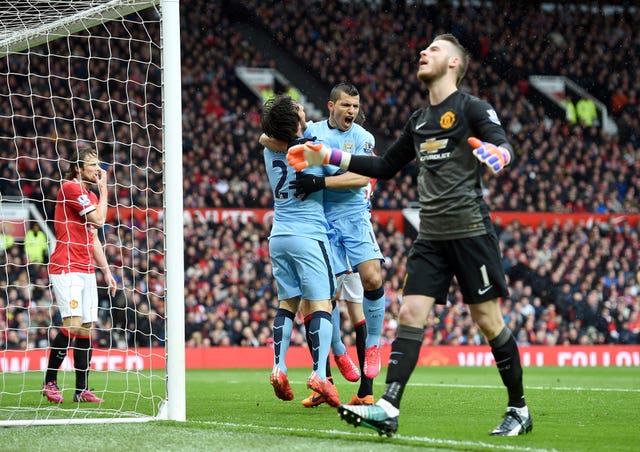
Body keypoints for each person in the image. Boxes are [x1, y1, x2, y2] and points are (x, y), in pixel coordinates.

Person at [287, 34, 532, 437]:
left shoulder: (472, 107)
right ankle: (387, 407)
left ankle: (519, 409)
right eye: (424, 49)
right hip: (430, 237)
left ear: (454, 63)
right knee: (411, 316)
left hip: (470, 232)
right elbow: (383, 166)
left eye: (434, 50)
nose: (424, 52)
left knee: (488, 321)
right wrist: (326, 156)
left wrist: (498, 155)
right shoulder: (419, 120)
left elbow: (501, 144)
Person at [262, 83, 385, 407]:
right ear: (331, 105)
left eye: (355, 106)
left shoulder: (360, 137)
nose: (351, 111)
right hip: (317, 228)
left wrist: (319, 180)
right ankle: (326, 372)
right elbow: (278, 137)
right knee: (320, 302)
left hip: (333, 221)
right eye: (345, 105)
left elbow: (363, 177)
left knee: (363, 282)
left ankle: (363, 351)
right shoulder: (311, 137)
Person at [261, 94, 340, 407]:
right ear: (295, 118)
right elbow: (344, 174)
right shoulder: (312, 149)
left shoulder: (270, 147)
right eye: (299, 107)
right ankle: (320, 373)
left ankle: (278, 367)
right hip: (309, 234)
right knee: (322, 304)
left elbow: (266, 136)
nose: (305, 108)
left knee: (287, 303)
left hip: (279, 235)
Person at [42, 146, 117, 404]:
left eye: (99, 164)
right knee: (72, 325)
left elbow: (94, 237)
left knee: (85, 330)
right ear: (78, 168)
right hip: (66, 265)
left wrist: (106, 271)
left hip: (86, 269)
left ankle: (81, 390)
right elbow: (98, 220)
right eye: (92, 164)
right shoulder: (71, 188)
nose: (98, 169)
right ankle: (50, 382)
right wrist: (106, 189)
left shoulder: (89, 195)